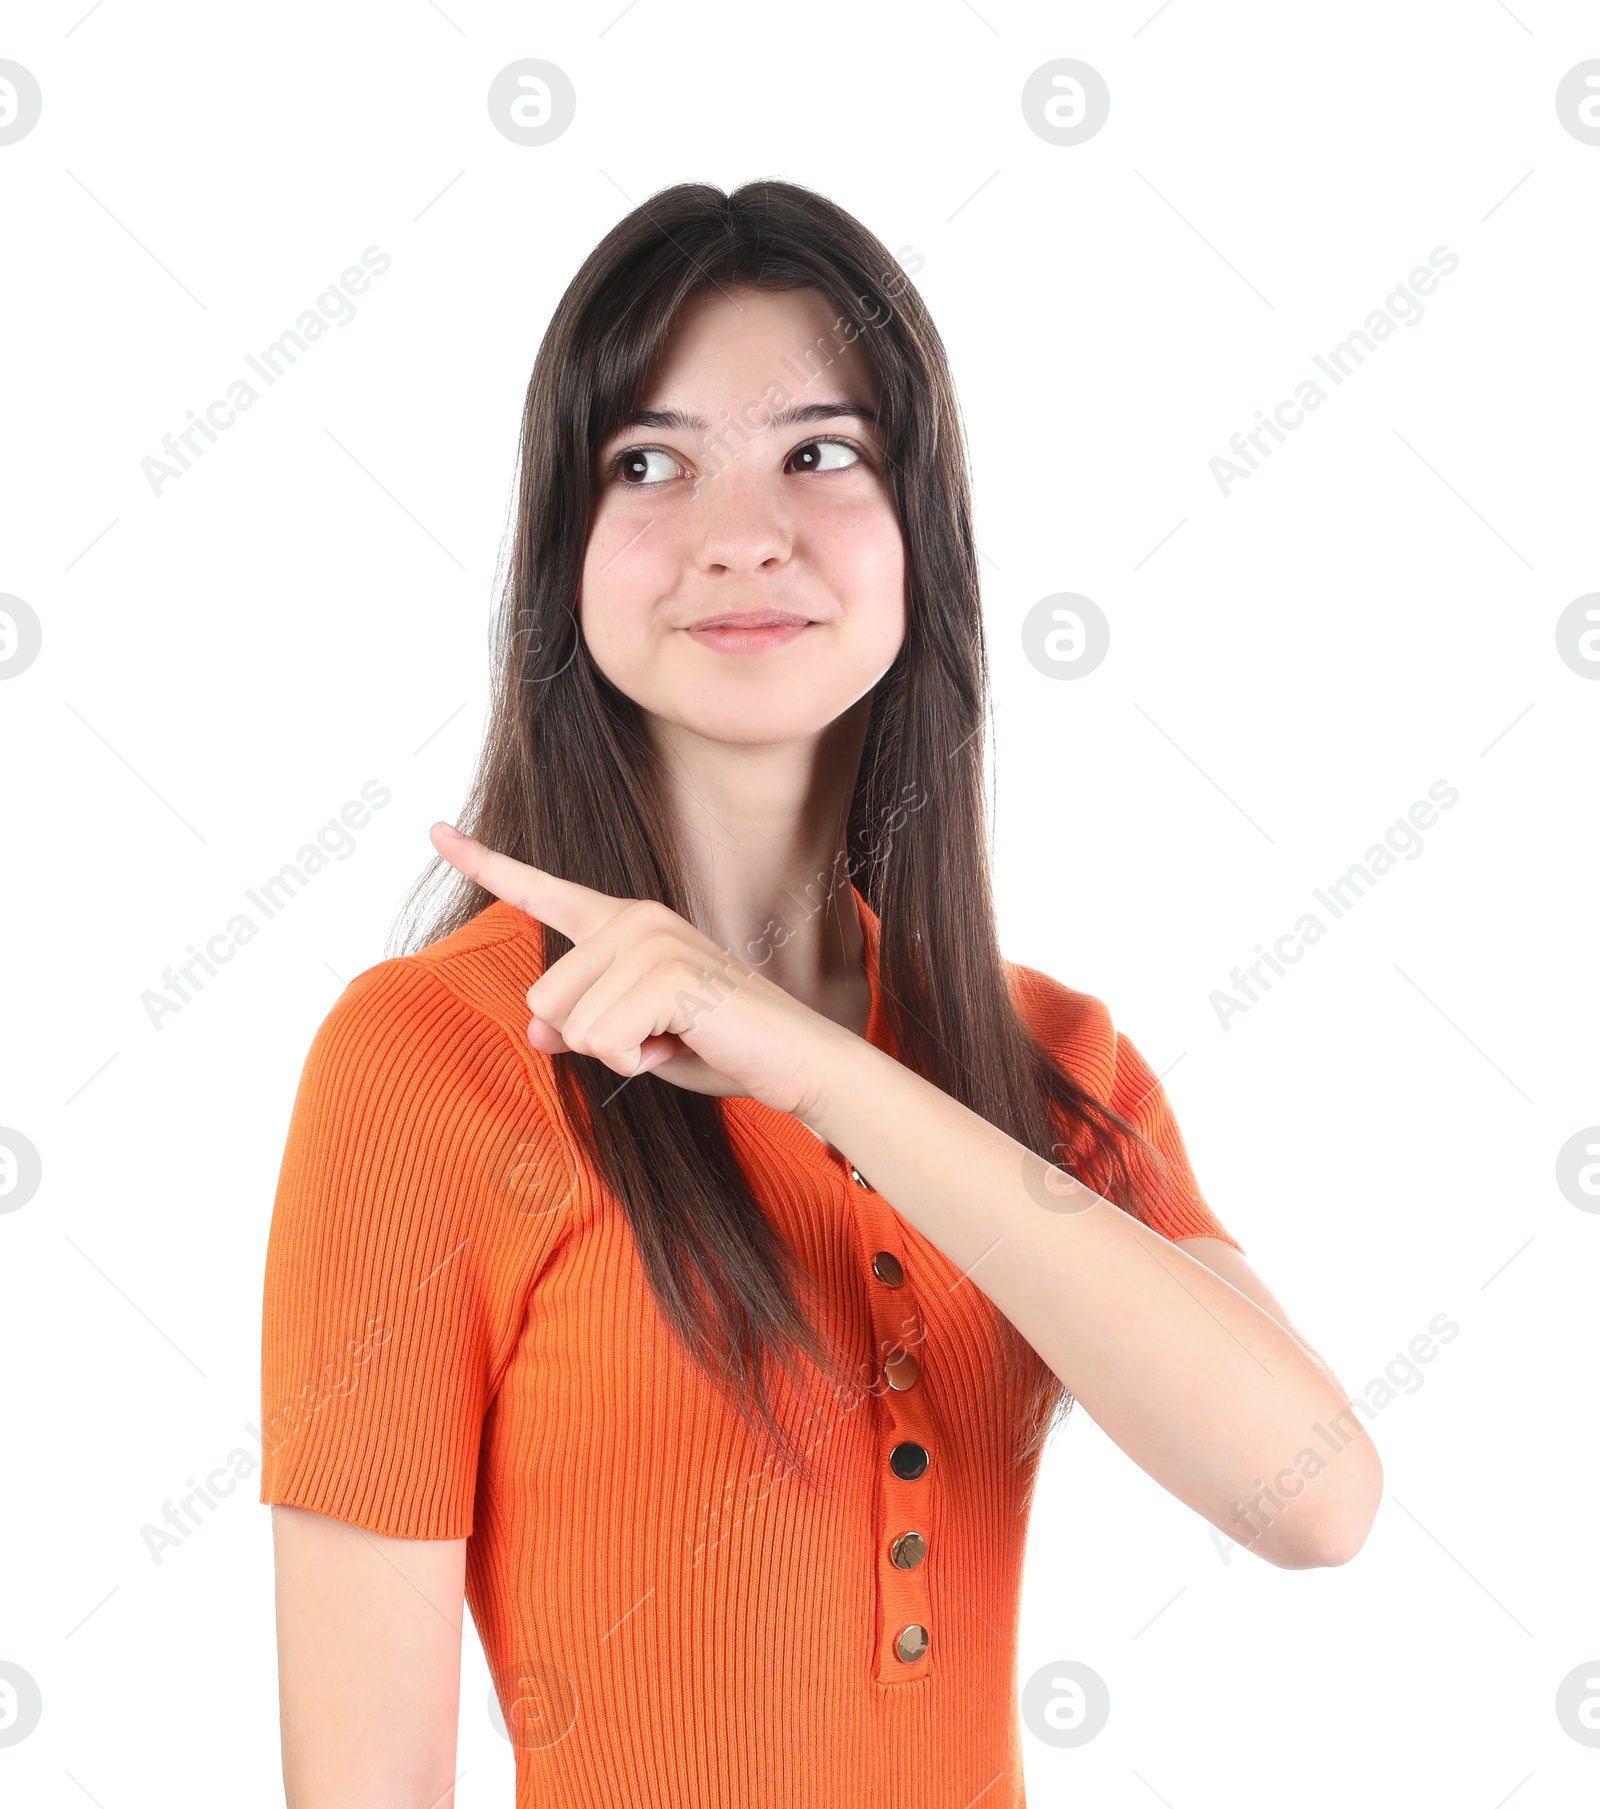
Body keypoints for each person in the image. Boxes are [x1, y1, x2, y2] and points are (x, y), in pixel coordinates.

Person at [259, 179, 1381, 1808]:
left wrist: (808, 1059)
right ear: (562, 551)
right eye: (648, 461)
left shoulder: (1054, 1059)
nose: (738, 530)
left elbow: (1317, 1496)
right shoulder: (431, 1057)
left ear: (920, 530)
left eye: (819, 451)